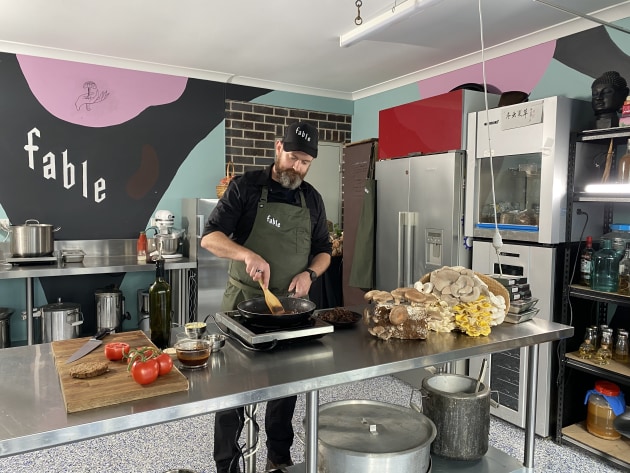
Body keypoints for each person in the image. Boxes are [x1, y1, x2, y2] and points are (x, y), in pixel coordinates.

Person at [201, 121, 332, 473]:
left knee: (285, 387)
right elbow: (209, 237)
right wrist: (246, 255)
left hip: (290, 308)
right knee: (231, 392)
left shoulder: (312, 199)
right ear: (278, 148)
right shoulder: (245, 187)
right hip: (242, 305)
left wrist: (310, 273)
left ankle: (278, 457)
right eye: (292, 157)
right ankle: (226, 463)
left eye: (305, 162)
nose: (297, 168)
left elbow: (324, 250)